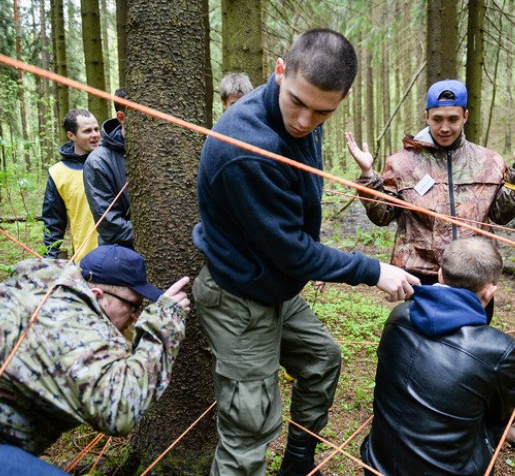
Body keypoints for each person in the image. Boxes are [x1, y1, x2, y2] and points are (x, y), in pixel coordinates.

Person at [193, 29, 419, 476]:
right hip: (238, 294)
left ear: (342, 97)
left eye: (322, 111)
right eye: (296, 102)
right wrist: (372, 270)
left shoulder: (302, 117)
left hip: (272, 284)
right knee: (249, 428)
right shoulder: (249, 148)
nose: (303, 121)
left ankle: (298, 463)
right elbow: (294, 253)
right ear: (280, 71)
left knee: (321, 360)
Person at [361, 237, 515, 476]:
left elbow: (454, 404)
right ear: (489, 292)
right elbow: (508, 410)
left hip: (377, 465)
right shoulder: (495, 348)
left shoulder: (399, 316)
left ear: (440, 275)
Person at [0, 244, 190, 474]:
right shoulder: (65, 323)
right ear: (97, 296)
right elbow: (119, 410)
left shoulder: (43, 294)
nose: (135, 316)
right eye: (132, 305)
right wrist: (163, 325)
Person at [346, 79, 515, 286]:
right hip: (420, 273)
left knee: (476, 321)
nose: (444, 128)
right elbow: (382, 216)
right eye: (437, 119)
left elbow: (501, 215)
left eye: (453, 119)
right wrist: (368, 174)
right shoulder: (401, 164)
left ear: (465, 116)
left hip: (475, 272)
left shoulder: (489, 162)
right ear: (427, 116)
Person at [43, 109, 101, 261]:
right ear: (71, 136)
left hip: (124, 254)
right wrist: (50, 257)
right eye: (87, 131)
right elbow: (53, 222)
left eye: (96, 129)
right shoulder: (58, 173)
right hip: (87, 259)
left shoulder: (112, 162)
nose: (95, 135)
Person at [84, 89, 133, 248]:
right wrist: (158, 234)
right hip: (121, 256)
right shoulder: (98, 162)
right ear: (121, 117)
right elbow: (111, 228)